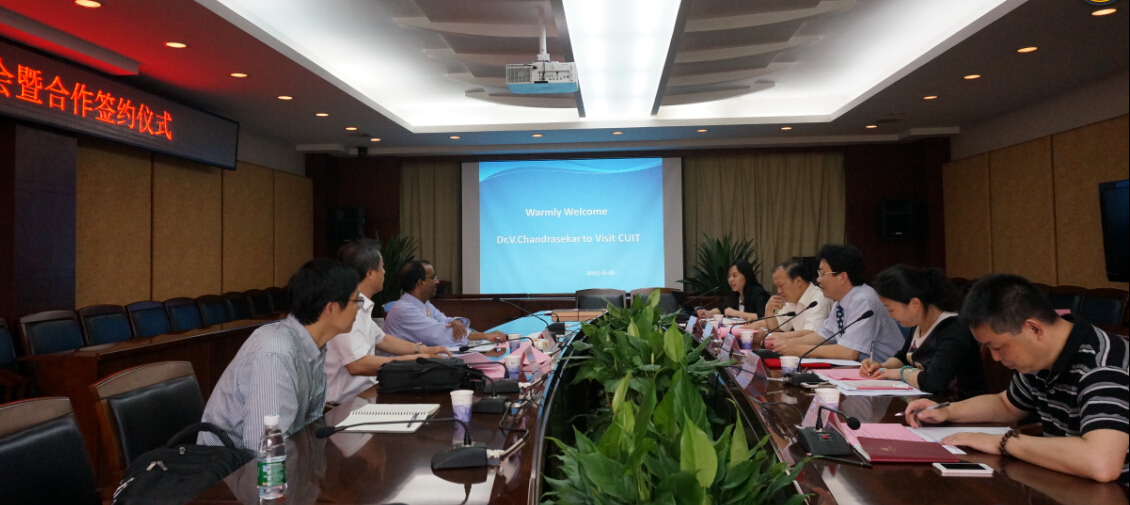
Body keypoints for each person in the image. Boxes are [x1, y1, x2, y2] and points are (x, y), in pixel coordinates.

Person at [904, 274, 1128, 485]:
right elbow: (1007, 404)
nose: (995, 357)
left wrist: (1003, 442)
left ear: (1034, 328)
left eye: (997, 347)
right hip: (1070, 481)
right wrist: (947, 411)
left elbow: (1102, 463)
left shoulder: (1103, 365)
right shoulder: (1040, 358)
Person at [200, 259, 360, 451]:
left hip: (281, 459)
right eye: (356, 300)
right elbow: (266, 448)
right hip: (234, 466)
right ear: (331, 308)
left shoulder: (313, 348)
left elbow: (311, 427)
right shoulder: (275, 354)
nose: (359, 307)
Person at [324, 240, 453, 404]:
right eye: (382, 267)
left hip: (366, 394)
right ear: (370, 273)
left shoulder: (362, 305)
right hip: (344, 405)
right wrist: (412, 360)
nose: (384, 272)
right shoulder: (347, 307)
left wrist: (423, 349)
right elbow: (357, 364)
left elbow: (383, 340)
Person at [859, 264, 986, 399]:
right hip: (929, 403)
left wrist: (899, 373)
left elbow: (934, 382)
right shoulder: (918, 325)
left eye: (891, 309)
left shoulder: (954, 330)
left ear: (915, 304)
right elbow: (903, 358)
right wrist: (881, 368)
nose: (890, 315)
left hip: (960, 406)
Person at [762, 244, 903, 362]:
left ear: (842, 277)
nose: (818, 280)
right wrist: (781, 341)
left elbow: (849, 352)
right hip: (859, 372)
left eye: (823, 274)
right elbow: (821, 337)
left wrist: (796, 349)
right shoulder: (840, 302)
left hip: (887, 375)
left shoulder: (863, 300)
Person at [384, 260, 505, 348]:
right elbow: (440, 334)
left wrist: (457, 322)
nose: (437, 281)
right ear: (420, 283)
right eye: (433, 277)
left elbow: (445, 321)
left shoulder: (425, 304)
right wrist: (485, 336)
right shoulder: (403, 310)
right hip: (403, 369)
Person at [741, 257, 830, 334]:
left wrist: (767, 336)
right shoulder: (792, 299)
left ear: (798, 281)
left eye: (781, 285)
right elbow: (776, 327)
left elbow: (810, 335)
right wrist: (768, 310)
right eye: (777, 287)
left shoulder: (818, 299)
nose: (779, 291)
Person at [696, 259, 772, 321]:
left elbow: (763, 317)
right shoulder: (736, 294)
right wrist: (709, 313)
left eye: (735, 276)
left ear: (746, 276)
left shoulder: (759, 294)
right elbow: (722, 309)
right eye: (729, 276)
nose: (730, 280)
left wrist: (735, 313)